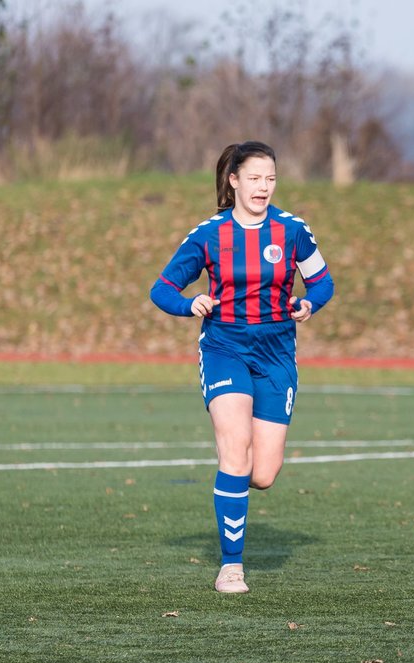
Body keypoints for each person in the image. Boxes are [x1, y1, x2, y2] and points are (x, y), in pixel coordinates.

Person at [150, 141, 335, 592]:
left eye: (270, 178)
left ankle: (231, 482)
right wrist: (189, 301)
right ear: (233, 180)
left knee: (262, 473)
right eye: (254, 178)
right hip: (224, 348)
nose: (263, 187)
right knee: (235, 449)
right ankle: (231, 566)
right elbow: (162, 288)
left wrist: (308, 303)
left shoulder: (292, 231)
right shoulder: (209, 235)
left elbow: (323, 282)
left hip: (276, 354)